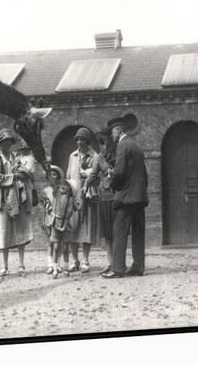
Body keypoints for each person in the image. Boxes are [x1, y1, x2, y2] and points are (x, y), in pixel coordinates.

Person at [101, 117, 149, 279]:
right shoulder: (136, 145)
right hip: (140, 197)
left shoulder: (123, 145)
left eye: (113, 133)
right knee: (138, 232)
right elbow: (142, 173)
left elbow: (120, 172)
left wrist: (111, 178)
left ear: (119, 130)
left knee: (119, 231)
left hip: (127, 197)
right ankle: (138, 267)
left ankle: (118, 269)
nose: (112, 137)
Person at [0, 129, 34, 277]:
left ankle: (21, 264)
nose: (6, 144)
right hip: (3, 199)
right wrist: (13, 177)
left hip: (18, 197)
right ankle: (4, 265)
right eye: (4, 142)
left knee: (20, 230)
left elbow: (26, 172)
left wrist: (21, 172)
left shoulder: (16, 156)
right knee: (4, 232)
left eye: (9, 141)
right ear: (0, 143)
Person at [83, 129, 117, 275]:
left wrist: (105, 163)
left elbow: (114, 172)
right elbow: (93, 174)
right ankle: (110, 262)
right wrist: (85, 186)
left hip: (116, 198)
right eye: (100, 144)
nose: (102, 147)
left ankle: (118, 263)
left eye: (104, 143)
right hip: (104, 197)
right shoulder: (100, 157)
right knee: (108, 234)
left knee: (117, 233)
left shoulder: (117, 155)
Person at [66, 127, 98, 273]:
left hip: (88, 198)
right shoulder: (72, 156)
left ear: (87, 141)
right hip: (73, 199)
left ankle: (85, 260)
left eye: (82, 140)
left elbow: (97, 178)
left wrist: (88, 177)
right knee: (72, 229)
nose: (79, 142)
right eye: (77, 140)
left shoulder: (94, 156)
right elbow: (68, 177)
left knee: (86, 230)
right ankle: (75, 260)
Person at [41, 165, 70, 275]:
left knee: (60, 243)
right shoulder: (46, 190)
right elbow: (44, 206)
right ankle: (50, 264)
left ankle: (59, 265)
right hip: (49, 217)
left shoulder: (62, 189)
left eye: (54, 174)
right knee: (51, 242)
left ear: (58, 176)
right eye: (50, 175)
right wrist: (44, 220)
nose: (52, 177)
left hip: (59, 218)